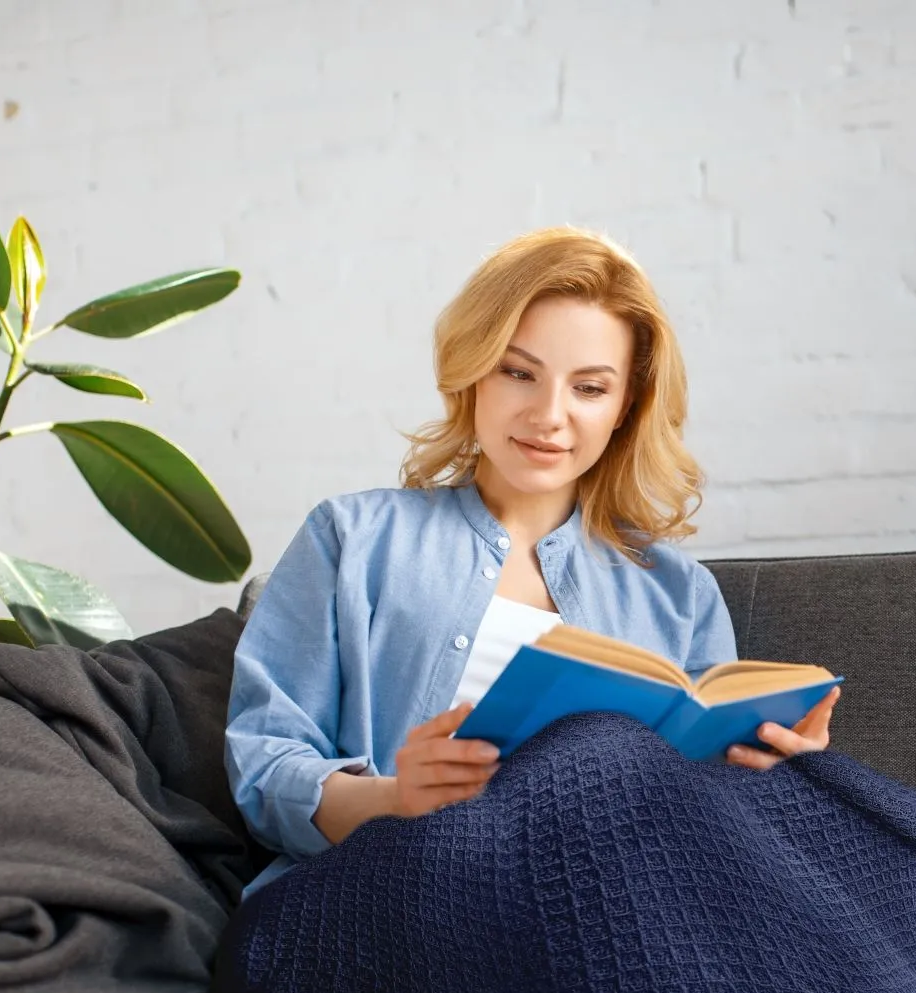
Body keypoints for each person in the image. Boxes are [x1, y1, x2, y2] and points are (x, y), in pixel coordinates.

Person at [224, 225, 842, 900]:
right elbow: (264, 762)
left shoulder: (678, 595)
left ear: (624, 407)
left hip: (604, 907)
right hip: (384, 897)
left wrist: (780, 778)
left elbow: (702, 832)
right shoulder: (352, 537)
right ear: (472, 375)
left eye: (588, 388)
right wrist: (394, 798)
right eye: (518, 372)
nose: (548, 416)